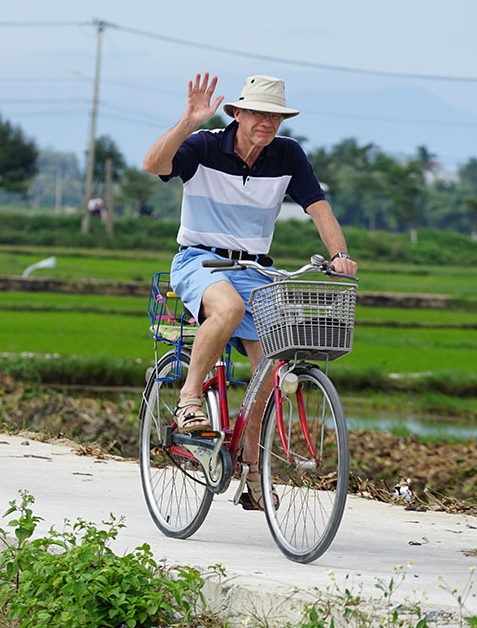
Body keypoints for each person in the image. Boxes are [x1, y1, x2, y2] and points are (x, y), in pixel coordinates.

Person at [142, 73, 358, 509]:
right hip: (199, 261)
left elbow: (318, 207)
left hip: (256, 270)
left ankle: (254, 467)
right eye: (258, 112)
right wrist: (187, 121)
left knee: (273, 370)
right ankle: (188, 399)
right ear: (237, 113)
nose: (267, 122)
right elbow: (153, 165)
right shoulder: (204, 146)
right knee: (227, 308)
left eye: (275, 115)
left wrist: (339, 256)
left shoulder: (288, 155)